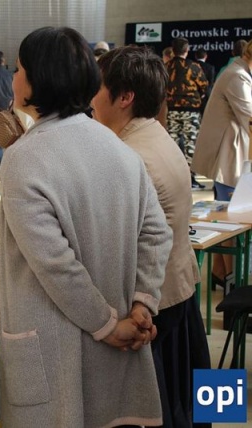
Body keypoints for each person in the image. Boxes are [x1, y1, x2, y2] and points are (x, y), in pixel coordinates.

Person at [0, 27, 172, 427]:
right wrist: (141, 305)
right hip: (117, 353)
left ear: (38, 79)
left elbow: (55, 264)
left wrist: (107, 326)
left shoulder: (25, 158)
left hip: (59, 351)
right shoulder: (118, 149)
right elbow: (157, 234)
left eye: (20, 69)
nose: (15, 78)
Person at [93, 45, 211, 427]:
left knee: (165, 407)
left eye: (98, 87)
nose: (91, 98)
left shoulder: (128, 156)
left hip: (153, 303)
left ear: (124, 97)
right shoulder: (158, 136)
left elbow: (119, 244)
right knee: (192, 400)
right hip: (181, 288)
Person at [192, 39, 252, 286]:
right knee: (232, 220)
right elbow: (250, 116)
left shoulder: (240, 73)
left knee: (230, 218)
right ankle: (232, 281)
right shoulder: (237, 77)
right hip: (228, 157)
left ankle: (221, 273)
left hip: (233, 154)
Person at [166, 37, 208, 189]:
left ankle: (173, 178)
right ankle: (190, 179)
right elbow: (204, 85)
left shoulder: (166, 67)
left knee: (172, 144)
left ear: (173, 50)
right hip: (191, 111)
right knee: (191, 145)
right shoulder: (193, 66)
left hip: (172, 110)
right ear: (187, 50)